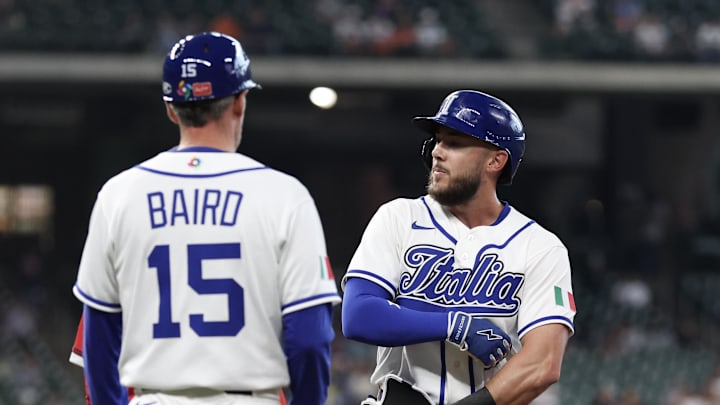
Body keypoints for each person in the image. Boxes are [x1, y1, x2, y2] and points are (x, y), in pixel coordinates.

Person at [71, 31, 341, 405]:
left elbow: (98, 340)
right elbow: (309, 340)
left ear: (170, 108)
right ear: (240, 102)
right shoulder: (284, 195)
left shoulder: (119, 194)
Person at [341, 90, 576, 405]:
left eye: (454, 142)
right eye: (437, 140)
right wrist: (453, 324)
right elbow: (358, 315)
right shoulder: (399, 218)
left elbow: (543, 363)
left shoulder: (540, 247)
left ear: (496, 160)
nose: (438, 151)